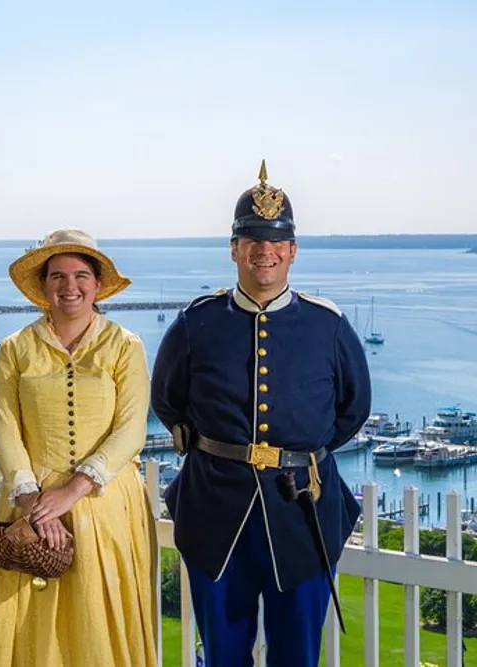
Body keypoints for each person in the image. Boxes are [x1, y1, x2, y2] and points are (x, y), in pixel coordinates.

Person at [150, 161, 372, 666]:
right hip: (215, 510)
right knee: (223, 655)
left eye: (275, 241)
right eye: (251, 240)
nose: (263, 251)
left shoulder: (328, 325)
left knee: (296, 655)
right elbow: (167, 399)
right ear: (234, 249)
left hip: (302, 513)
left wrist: (298, 453)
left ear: (292, 250)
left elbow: (353, 410)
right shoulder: (196, 323)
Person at [0, 229, 159, 667]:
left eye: (81, 275)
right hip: (29, 503)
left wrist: (74, 490)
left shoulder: (125, 347)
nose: (69, 286)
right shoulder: (14, 349)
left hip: (104, 506)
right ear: (43, 285)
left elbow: (131, 430)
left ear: (98, 285)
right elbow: (4, 429)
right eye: (57, 276)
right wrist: (31, 503)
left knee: (97, 620)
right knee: (30, 624)